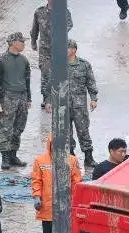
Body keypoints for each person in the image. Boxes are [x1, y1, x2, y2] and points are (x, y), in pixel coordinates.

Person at [30, 134, 82, 233]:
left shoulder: (72, 160)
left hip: (66, 205)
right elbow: (36, 181)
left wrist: (75, 200)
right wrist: (36, 197)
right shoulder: (40, 161)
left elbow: (76, 181)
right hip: (47, 204)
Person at [48, 39, 98, 167]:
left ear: (74, 50)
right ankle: (70, 156)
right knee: (65, 132)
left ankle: (88, 156)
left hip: (79, 105)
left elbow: (90, 82)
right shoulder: (58, 64)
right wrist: (48, 101)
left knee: (83, 130)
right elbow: (51, 84)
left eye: (68, 48)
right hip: (62, 105)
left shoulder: (84, 65)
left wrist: (93, 98)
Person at [0, 32, 31, 169]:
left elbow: (27, 80)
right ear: (14, 42)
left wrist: (28, 99)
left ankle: (13, 154)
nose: (24, 44)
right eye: (22, 42)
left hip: (22, 97)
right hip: (7, 97)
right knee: (6, 128)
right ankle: (5, 157)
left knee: (19, 127)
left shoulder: (24, 60)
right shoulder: (1, 60)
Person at [30, 0, 73, 106]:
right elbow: (35, 29)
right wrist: (33, 41)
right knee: (45, 73)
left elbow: (69, 24)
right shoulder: (39, 12)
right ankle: (46, 98)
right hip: (45, 49)